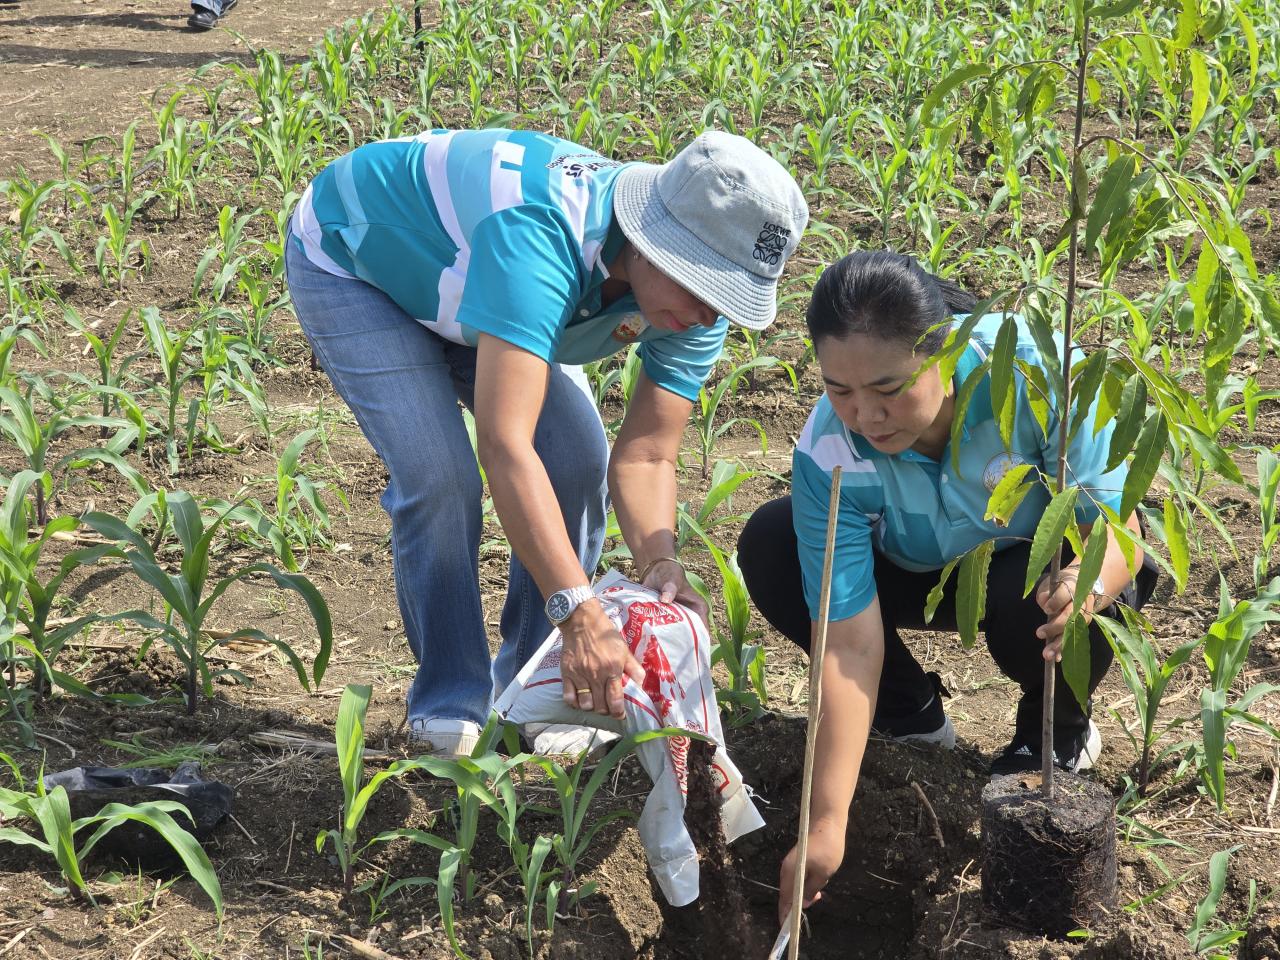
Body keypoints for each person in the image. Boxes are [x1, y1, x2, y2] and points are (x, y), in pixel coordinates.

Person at [286, 127, 808, 758]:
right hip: (367, 266)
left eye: (728, 297)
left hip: (490, 292)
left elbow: (646, 454)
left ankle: (537, 684)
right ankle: (450, 701)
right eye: (703, 287)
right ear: (652, 241)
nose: (708, 314)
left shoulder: (691, 309)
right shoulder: (541, 234)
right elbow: (505, 445)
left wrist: (659, 561)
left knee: (576, 460)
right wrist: (580, 613)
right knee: (441, 475)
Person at [734, 251, 1158, 922]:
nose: (865, 417)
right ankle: (915, 720)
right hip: (919, 566)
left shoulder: (1038, 374)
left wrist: (1088, 584)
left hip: (1034, 563)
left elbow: (1118, 527)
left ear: (948, 349)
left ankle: (1057, 734)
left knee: (1050, 601)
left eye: (888, 388)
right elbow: (846, 646)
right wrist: (825, 825)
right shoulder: (831, 453)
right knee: (773, 543)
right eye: (838, 390)